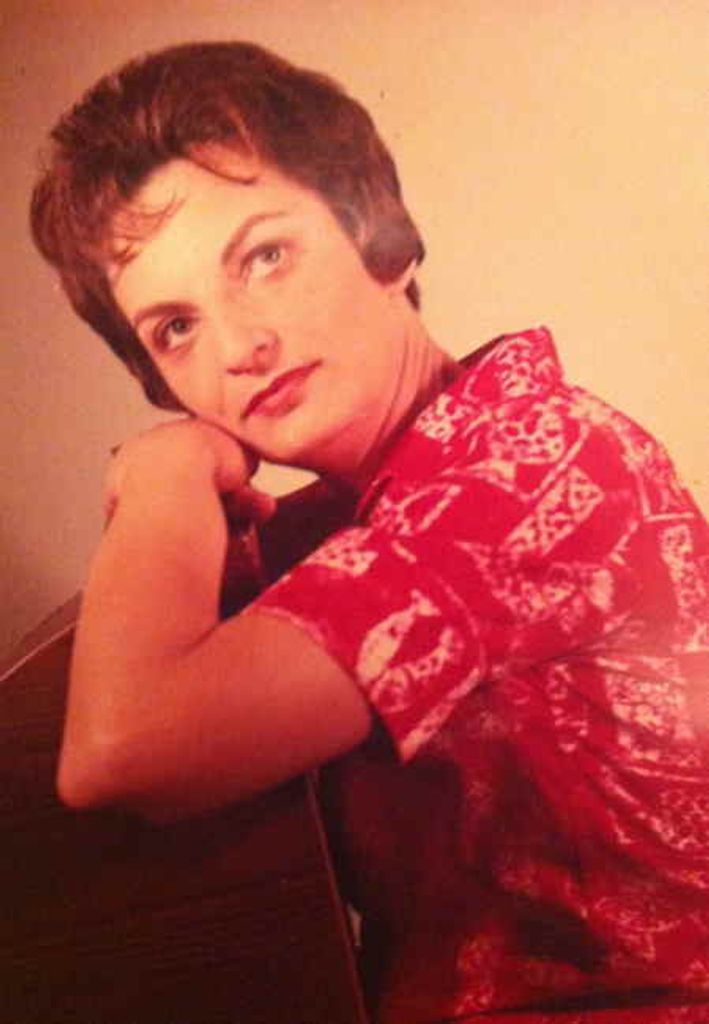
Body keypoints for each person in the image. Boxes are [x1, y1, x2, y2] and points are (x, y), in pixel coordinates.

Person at [30, 41, 709, 1024]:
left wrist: (164, 470)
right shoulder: (369, 512)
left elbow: (123, 749)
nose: (240, 346)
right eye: (175, 327)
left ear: (382, 241)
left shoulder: (521, 468)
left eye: (265, 258)